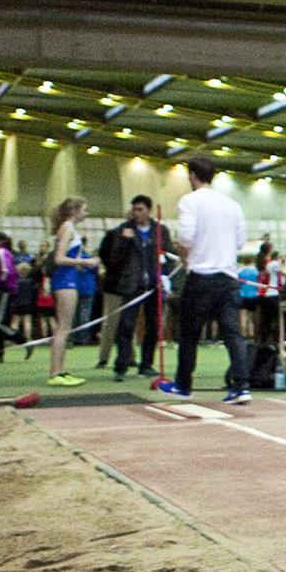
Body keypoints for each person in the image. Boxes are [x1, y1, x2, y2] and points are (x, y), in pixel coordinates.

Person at [157, 157, 252, 404]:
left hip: (201, 278)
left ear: (192, 176)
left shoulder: (189, 201)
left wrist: (186, 257)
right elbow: (240, 242)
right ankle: (242, 387)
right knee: (233, 334)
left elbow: (186, 237)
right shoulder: (232, 205)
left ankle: (183, 385)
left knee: (189, 334)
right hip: (229, 278)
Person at [101, 195, 170, 379]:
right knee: (126, 326)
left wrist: (165, 277)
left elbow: (168, 255)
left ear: (149, 210)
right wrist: (124, 240)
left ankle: (146, 364)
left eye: (140, 209)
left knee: (153, 326)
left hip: (155, 286)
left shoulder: (160, 230)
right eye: (134, 210)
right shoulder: (123, 230)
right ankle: (121, 365)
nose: (137, 213)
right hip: (131, 285)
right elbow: (112, 257)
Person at [43, 197, 99, 385]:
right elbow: (59, 259)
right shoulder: (67, 228)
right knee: (63, 327)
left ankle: (61, 369)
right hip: (64, 282)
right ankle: (55, 373)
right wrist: (85, 261)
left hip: (69, 279)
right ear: (74, 211)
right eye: (84, 209)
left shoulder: (70, 229)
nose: (86, 213)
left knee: (65, 327)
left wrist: (79, 264)